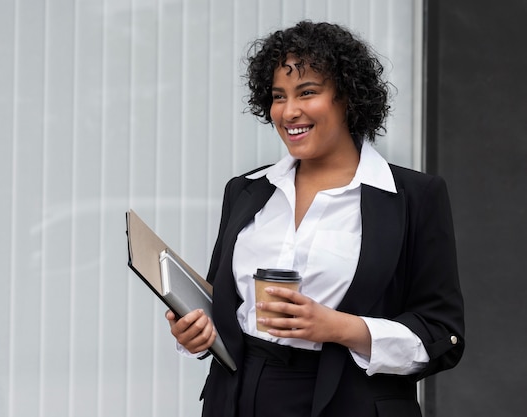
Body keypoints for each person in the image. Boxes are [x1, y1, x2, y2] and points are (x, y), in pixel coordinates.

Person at [165, 21, 464, 417]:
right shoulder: (246, 190)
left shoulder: (413, 198)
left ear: (348, 98)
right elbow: (225, 309)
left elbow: (442, 336)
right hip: (237, 399)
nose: (289, 112)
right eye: (278, 96)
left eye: (307, 92)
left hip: (350, 403)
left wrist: (337, 327)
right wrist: (195, 334)